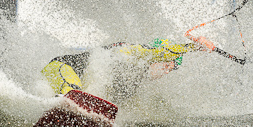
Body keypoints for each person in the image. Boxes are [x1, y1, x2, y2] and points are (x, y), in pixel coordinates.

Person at [41, 37, 215, 97]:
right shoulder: (136, 51)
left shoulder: (134, 82)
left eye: (170, 70)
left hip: (73, 89)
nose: (166, 71)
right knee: (72, 90)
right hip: (61, 68)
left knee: (78, 95)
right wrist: (193, 47)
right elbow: (162, 51)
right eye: (167, 66)